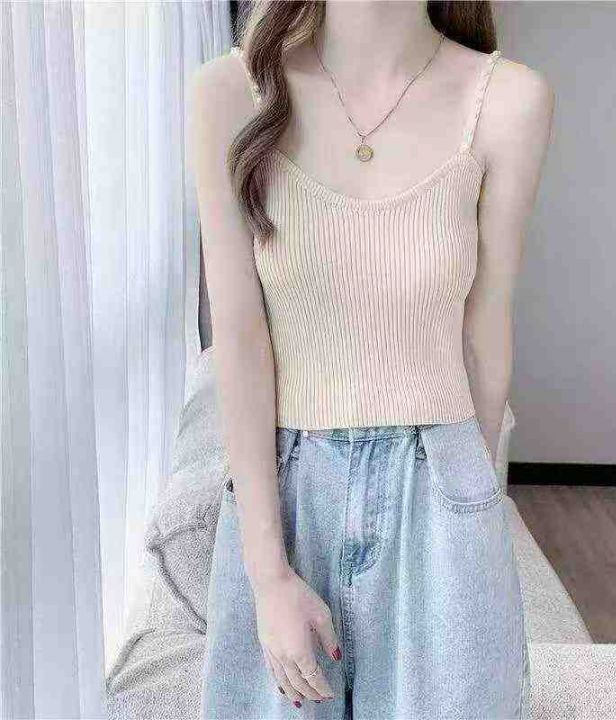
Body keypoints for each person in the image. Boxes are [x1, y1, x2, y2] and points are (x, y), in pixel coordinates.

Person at [189, 1, 554, 718]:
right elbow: (238, 334)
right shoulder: (227, 94)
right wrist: (268, 575)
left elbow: (486, 329)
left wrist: (465, 507)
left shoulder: (510, 101)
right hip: (288, 497)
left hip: (442, 487)